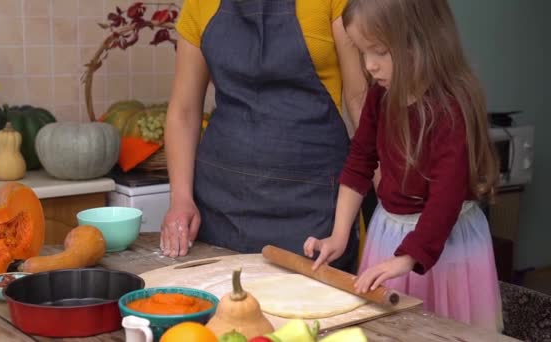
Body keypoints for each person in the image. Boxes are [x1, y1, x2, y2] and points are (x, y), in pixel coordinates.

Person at [303, 0, 503, 332]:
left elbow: (446, 196)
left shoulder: (452, 107)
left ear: (421, 41)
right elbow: (359, 162)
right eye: (363, 52)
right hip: (389, 236)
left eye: (379, 51)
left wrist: (409, 257)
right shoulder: (380, 97)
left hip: (446, 244)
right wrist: (339, 235)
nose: (369, 66)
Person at [159, 0, 367, 273]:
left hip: (313, 205)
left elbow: (359, 99)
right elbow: (184, 111)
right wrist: (181, 199)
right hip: (221, 206)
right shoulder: (200, 4)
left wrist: (390, 186)